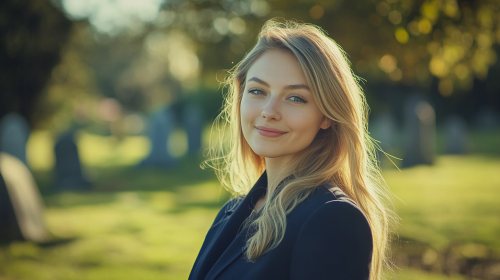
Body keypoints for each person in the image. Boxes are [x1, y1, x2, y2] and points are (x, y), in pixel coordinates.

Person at [189, 19, 395, 280]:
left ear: (327, 115)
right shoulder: (232, 211)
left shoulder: (333, 220)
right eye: (257, 91)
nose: (269, 112)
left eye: (295, 98)